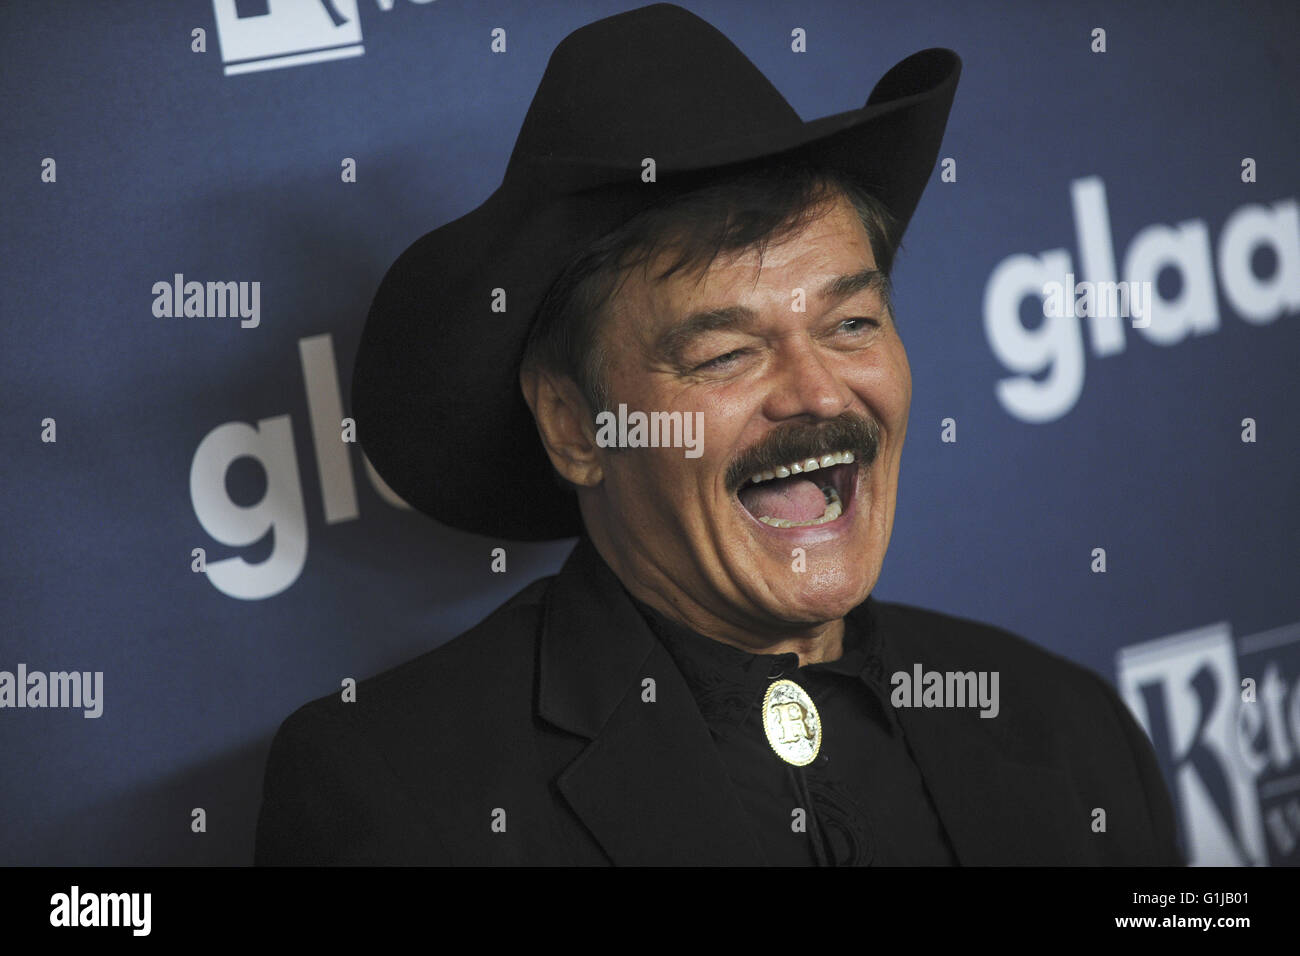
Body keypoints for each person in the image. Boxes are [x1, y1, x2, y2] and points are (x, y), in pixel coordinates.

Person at [255, 3, 1183, 866]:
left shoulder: (1067, 728)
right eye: (727, 354)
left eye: (851, 325)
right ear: (576, 425)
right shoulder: (392, 800)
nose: (819, 393)